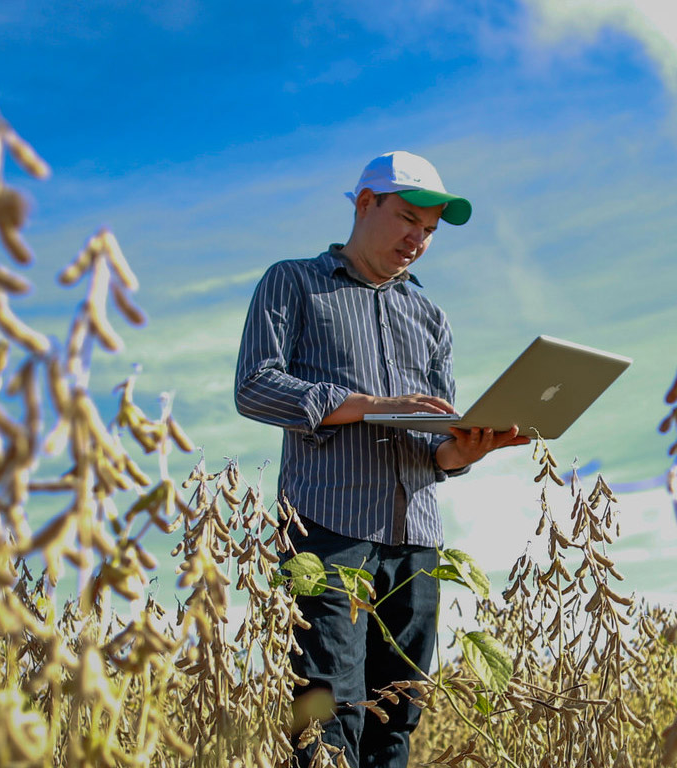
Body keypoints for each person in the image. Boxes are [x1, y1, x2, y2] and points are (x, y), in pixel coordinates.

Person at [234, 150, 530, 768]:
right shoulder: (291, 282)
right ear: (365, 204)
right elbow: (254, 386)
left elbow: (434, 447)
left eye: (429, 231)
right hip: (326, 531)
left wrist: (463, 450)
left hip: (417, 542)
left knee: (398, 717)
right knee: (325, 711)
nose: (417, 239)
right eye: (406, 219)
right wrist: (362, 404)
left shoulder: (431, 316)